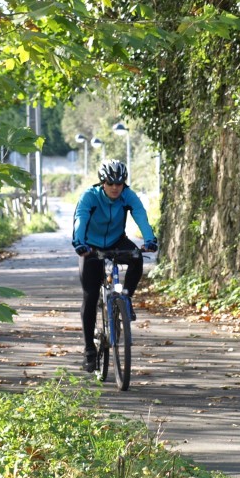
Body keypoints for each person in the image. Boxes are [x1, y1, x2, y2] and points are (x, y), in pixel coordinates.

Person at [72, 159, 158, 372]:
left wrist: (150, 239)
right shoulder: (90, 197)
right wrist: (79, 242)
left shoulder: (128, 196)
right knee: (90, 296)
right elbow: (80, 219)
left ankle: (125, 298)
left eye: (119, 184)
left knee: (137, 257)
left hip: (117, 240)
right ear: (103, 182)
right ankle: (89, 350)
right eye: (110, 183)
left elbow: (140, 216)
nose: (115, 188)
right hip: (90, 245)